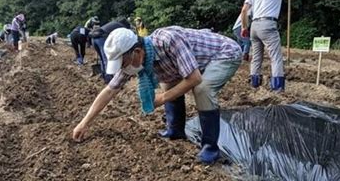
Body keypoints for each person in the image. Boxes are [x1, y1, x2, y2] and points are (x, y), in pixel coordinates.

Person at [72, 26, 242, 165]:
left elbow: (194, 78)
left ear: (137, 52)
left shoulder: (168, 41)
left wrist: (161, 98)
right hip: (194, 62)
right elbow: (110, 90)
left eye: (123, 63)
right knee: (168, 83)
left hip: (223, 53)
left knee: (202, 89)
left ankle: (210, 149)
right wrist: (84, 123)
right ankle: (175, 130)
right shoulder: (137, 60)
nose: (124, 69)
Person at [240, 0, 298, 91]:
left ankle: (254, 86)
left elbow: (244, 10)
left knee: (256, 58)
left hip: (254, 25)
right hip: (268, 24)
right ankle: (277, 89)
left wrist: (244, 28)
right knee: (275, 57)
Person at [90, 19, 132, 83]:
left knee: (102, 59)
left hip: (94, 38)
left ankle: (105, 76)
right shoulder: (121, 27)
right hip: (101, 38)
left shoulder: (114, 24)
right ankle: (109, 79)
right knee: (107, 59)